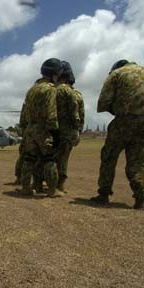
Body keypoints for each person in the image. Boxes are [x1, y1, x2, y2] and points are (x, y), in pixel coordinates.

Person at [90, 60, 144, 209]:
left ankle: (103, 194)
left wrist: (119, 110)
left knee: (109, 156)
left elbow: (103, 102)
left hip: (123, 120)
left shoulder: (116, 74)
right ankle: (140, 200)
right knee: (139, 159)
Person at [18, 58, 64, 198]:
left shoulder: (32, 89)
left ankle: (25, 187)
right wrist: (55, 132)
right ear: (54, 73)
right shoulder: (50, 89)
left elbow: (25, 112)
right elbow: (51, 112)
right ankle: (52, 189)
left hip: (30, 129)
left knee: (29, 159)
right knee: (49, 159)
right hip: (43, 129)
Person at [54, 61, 83, 193]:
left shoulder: (54, 91)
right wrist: (78, 131)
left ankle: (51, 183)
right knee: (64, 159)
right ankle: (59, 184)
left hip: (55, 129)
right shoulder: (77, 94)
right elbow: (80, 115)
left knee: (51, 157)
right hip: (70, 131)